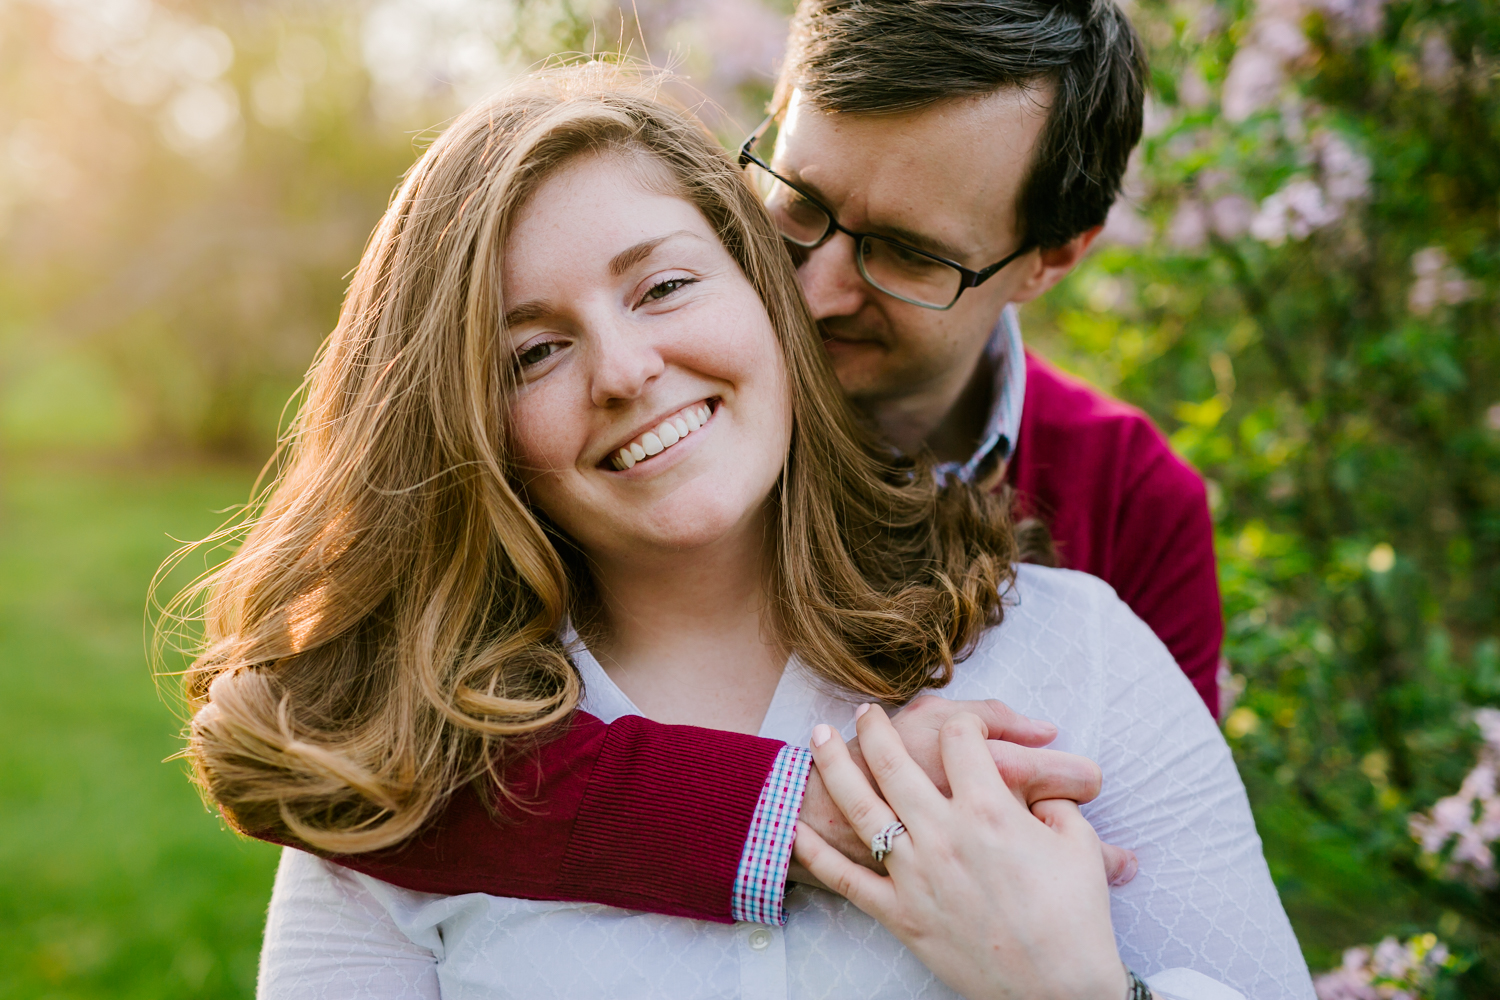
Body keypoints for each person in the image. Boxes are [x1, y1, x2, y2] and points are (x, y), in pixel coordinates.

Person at [180, 67, 1313, 999]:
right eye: (532, 351)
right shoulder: (401, 767)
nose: (624, 371)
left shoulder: (1076, 653)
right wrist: (802, 812)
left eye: (664, 285)